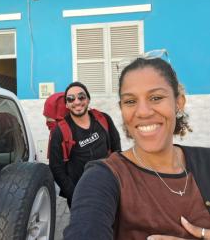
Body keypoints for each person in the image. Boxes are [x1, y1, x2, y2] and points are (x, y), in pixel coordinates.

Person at [63, 51, 210, 239]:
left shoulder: (206, 161)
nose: (142, 112)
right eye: (130, 101)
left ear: (178, 102)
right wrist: (70, 190)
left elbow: (113, 141)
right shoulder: (102, 178)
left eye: (156, 97)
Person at [49, 81, 121, 208]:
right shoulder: (60, 131)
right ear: (67, 104)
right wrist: (74, 193)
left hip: (108, 187)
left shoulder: (103, 119)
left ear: (88, 99)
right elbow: (56, 167)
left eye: (81, 97)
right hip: (80, 194)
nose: (77, 102)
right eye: (70, 99)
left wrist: (116, 178)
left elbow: (116, 149)